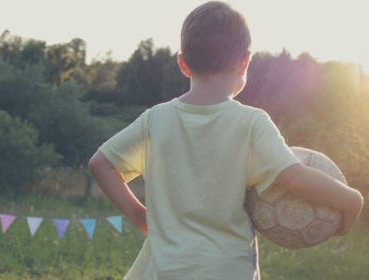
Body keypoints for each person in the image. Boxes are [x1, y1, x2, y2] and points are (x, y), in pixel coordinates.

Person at [88, 1, 364, 279]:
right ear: (245, 61)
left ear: (183, 62)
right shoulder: (251, 122)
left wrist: (137, 214)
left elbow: (101, 164)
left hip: (163, 271)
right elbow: (293, 176)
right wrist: (352, 200)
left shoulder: (155, 119)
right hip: (227, 270)